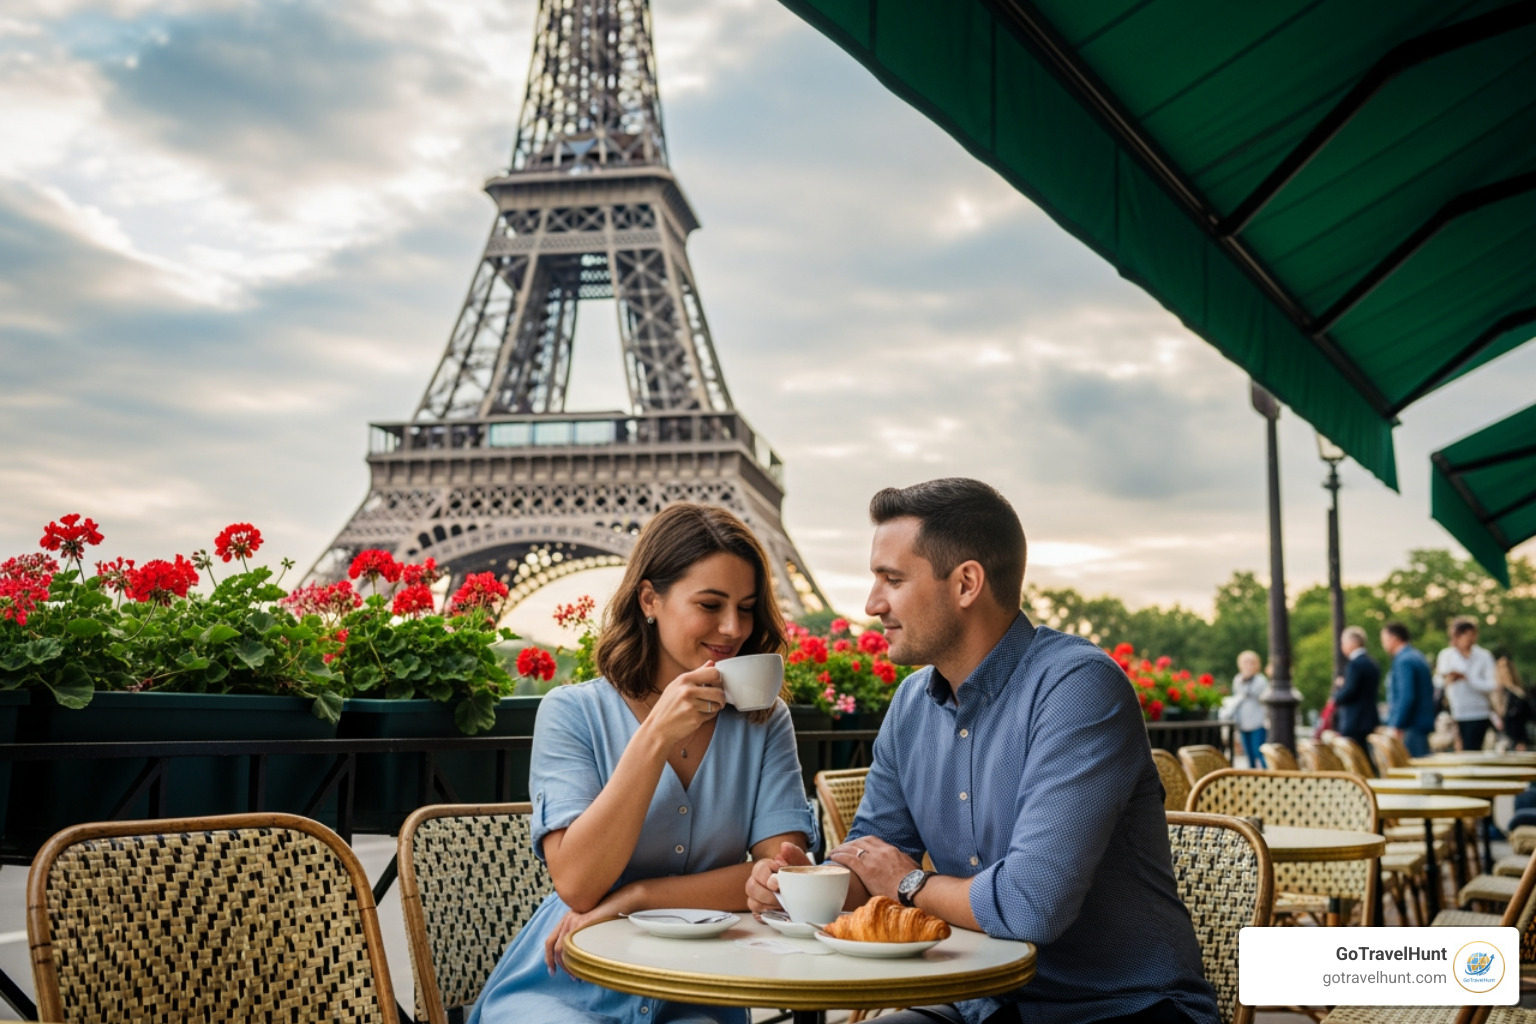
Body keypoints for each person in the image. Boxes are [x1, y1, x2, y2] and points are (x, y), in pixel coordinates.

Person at [745, 479, 1218, 1024]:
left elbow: (1030, 906)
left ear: (967, 583)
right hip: (981, 1003)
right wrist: (803, 886)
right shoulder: (909, 705)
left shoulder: (1079, 688)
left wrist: (910, 883)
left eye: (893, 580)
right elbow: (870, 859)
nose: (872, 604)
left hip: (1116, 1008)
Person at [470, 504, 813, 1024]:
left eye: (746, 608)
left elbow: (782, 878)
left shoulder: (764, 721)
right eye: (710, 604)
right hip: (566, 984)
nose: (733, 628)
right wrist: (654, 737)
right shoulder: (571, 712)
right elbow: (579, 885)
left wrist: (639, 896)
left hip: (696, 992)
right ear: (650, 599)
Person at [1436, 618, 1497, 752]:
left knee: (1472, 750)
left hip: (1478, 713)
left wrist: (1468, 679)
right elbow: (1438, 682)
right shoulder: (1446, 655)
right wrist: (1449, 679)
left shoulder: (1484, 656)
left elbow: (1492, 685)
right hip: (1454, 713)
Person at [1382, 622, 1435, 758]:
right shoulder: (1416, 656)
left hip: (1411, 725)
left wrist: (1397, 724)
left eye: (1384, 639)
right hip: (1420, 723)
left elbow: (1406, 695)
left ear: (1394, 638)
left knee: (1413, 765)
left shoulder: (1403, 660)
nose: (1383, 644)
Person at [1331, 626, 1380, 772]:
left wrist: (1336, 695)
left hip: (1355, 721)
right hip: (1369, 718)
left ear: (1352, 643)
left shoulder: (1355, 664)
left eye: (1343, 643)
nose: (1342, 647)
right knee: (1366, 758)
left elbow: (1350, 691)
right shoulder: (1372, 663)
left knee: (1357, 761)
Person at [1231, 650, 1269, 768]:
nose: (1248, 665)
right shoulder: (1237, 679)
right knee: (1249, 754)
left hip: (1258, 723)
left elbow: (1256, 695)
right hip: (1243, 723)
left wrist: (1248, 680)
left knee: (1259, 752)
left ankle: (1266, 775)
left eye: (1251, 662)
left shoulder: (1260, 680)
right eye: (1245, 662)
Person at [1494, 650, 1531, 750]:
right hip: (1500, 738)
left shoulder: (1517, 694)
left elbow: (1521, 718)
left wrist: (1521, 740)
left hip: (1516, 738)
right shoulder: (1496, 692)